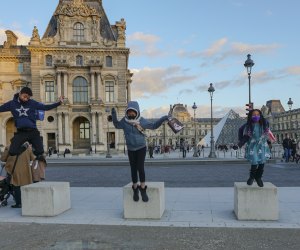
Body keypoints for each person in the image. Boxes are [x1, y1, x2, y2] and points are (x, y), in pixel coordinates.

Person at [111, 101, 169, 202]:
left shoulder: (142, 121)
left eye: (133, 112)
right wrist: (113, 113)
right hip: (130, 148)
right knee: (133, 169)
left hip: (141, 147)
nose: (131, 114)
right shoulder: (124, 122)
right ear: (127, 112)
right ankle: (135, 189)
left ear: (137, 112)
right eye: (129, 112)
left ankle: (142, 188)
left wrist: (164, 118)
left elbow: (154, 125)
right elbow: (116, 125)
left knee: (140, 167)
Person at [0, 87, 64, 160]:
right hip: (21, 132)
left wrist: (59, 103)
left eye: (28, 98)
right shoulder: (12, 104)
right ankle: (25, 147)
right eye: (24, 96)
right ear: (20, 94)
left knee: (40, 152)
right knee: (12, 152)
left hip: (33, 131)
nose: (26, 99)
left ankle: (33, 164)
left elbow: (45, 107)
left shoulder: (32, 103)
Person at [238, 109, 272, 187]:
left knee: (262, 162)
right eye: (254, 115)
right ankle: (252, 177)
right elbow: (241, 131)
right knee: (254, 161)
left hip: (262, 145)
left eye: (257, 114)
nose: (256, 116)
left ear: (260, 115)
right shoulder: (248, 125)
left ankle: (258, 177)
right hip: (252, 146)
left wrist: (269, 142)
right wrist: (240, 142)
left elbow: (267, 134)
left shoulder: (265, 123)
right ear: (250, 116)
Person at [1, 142, 36, 208]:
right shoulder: (27, 147)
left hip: (14, 170)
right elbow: (32, 157)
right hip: (25, 170)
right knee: (24, 185)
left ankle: (19, 203)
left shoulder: (9, 147)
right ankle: (26, 201)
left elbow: (3, 159)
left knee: (16, 186)